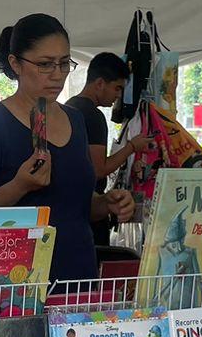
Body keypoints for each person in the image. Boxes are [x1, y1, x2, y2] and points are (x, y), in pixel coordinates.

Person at [0, 14, 134, 285]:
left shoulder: (75, 119)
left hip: (78, 277)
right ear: (16, 64)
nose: (57, 75)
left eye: (64, 63)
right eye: (44, 65)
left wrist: (106, 203)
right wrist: (19, 186)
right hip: (14, 284)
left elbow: (75, 205)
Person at [64, 53, 151, 244]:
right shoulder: (92, 115)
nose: (118, 95)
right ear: (100, 83)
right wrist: (132, 146)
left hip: (70, 208)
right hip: (90, 209)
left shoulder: (69, 107)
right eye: (117, 88)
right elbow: (98, 170)